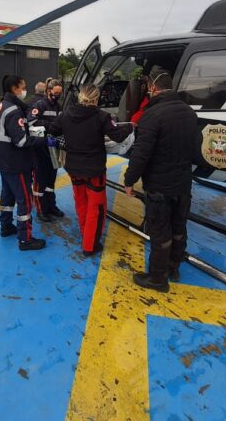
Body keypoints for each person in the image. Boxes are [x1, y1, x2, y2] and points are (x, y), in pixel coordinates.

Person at [123, 67, 198, 292]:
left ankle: (157, 278)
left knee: (160, 233)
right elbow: (194, 148)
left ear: (153, 88)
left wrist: (129, 180)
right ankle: (173, 268)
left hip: (159, 186)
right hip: (183, 183)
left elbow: (141, 154)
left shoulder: (152, 116)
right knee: (179, 228)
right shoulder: (189, 112)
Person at [48, 83, 132, 256]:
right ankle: (90, 245)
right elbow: (117, 136)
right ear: (96, 98)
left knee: (81, 201)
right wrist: (131, 126)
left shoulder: (66, 114)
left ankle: (85, 232)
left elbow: (53, 130)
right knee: (97, 207)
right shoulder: (101, 116)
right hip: (94, 170)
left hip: (73, 168)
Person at [0, 75, 47, 251]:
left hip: (1, 160)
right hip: (15, 162)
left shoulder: (0, 106)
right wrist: (43, 140)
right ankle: (25, 239)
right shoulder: (13, 111)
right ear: (14, 89)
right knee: (25, 200)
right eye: (23, 87)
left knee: (7, 195)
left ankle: (6, 227)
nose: (25, 91)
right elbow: (21, 141)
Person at [27, 78, 66, 222]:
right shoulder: (39, 105)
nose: (58, 96)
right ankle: (40, 209)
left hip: (53, 148)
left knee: (51, 179)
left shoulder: (59, 106)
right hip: (40, 149)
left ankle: (51, 206)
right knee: (40, 180)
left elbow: (61, 123)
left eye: (60, 93)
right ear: (49, 91)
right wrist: (50, 126)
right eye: (56, 93)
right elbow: (31, 123)